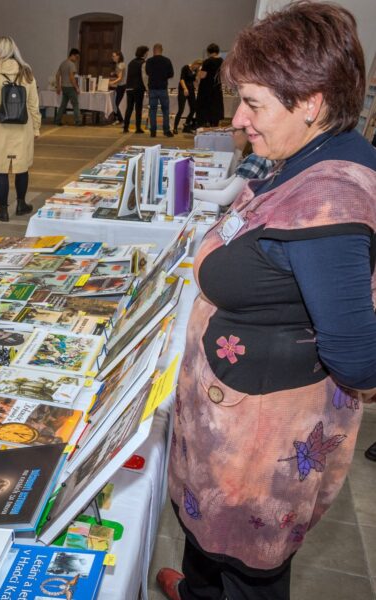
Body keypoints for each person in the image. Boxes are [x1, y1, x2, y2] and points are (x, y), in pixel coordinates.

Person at [158, 4, 376, 599]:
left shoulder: (330, 203)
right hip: (233, 416)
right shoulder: (305, 155)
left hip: (261, 440)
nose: (239, 117)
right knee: (212, 553)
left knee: (250, 570)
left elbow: (358, 358)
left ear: (310, 100)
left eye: (253, 102)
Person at [0, 35, 41, 222]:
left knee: (0, 169)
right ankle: (21, 204)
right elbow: (33, 105)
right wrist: (36, 127)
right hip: (23, 128)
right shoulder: (26, 72)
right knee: (21, 167)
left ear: (2, 51)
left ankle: (3, 210)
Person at [193, 129, 274, 207]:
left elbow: (224, 198)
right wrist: (201, 187)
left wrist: (189, 192)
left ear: (248, 134)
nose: (232, 135)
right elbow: (228, 182)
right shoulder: (257, 156)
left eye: (235, 131)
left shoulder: (256, 158)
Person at [145, 43, 174, 138]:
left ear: (154, 50)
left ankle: (153, 132)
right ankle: (166, 131)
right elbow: (171, 74)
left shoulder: (149, 61)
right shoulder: (167, 61)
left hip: (152, 88)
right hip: (162, 88)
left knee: (152, 110)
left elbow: (147, 72)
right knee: (165, 110)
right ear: (162, 50)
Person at [196, 43, 224, 127]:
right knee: (216, 106)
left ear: (208, 52)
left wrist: (198, 72)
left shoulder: (207, 61)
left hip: (206, 89)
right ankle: (214, 126)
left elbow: (203, 75)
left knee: (205, 108)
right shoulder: (221, 61)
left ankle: (205, 126)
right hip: (217, 87)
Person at [122, 45, 148, 134]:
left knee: (129, 108)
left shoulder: (131, 62)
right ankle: (138, 128)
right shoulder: (143, 63)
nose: (147, 54)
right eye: (147, 52)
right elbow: (144, 77)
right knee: (138, 108)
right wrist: (147, 88)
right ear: (144, 53)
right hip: (138, 88)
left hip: (129, 88)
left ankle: (125, 127)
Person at [54, 48, 81, 126]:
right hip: (70, 87)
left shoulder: (63, 63)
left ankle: (57, 120)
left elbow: (57, 75)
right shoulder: (71, 64)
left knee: (63, 105)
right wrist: (76, 87)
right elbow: (72, 77)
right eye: (76, 57)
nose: (76, 59)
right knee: (75, 104)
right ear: (72, 55)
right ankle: (78, 121)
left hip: (64, 87)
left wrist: (58, 86)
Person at [174, 59, 201, 134]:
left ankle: (186, 125)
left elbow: (195, 81)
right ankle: (175, 128)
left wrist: (198, 74)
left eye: (198, 67)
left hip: (191, 90)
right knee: (181, 110)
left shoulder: (196, 71)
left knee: (194, 108)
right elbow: (182, 79)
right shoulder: (185, 67)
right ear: (195, 63)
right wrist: (185, 89)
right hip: (183, 89)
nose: (197, 68)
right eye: (197, 66)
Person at [109, 51, 126, 123]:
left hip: (122, 86)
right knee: (117, 102)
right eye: (112, 56)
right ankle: (120, 118)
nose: (112, 57)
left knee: (118, 103)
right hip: (120, 85)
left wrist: (111, 82)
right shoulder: (119, 64)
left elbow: (120, 78)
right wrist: (114, 73)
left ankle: (120, 119)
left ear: (118, 56)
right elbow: (118, 75)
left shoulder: (120, 65)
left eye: (114, 56)